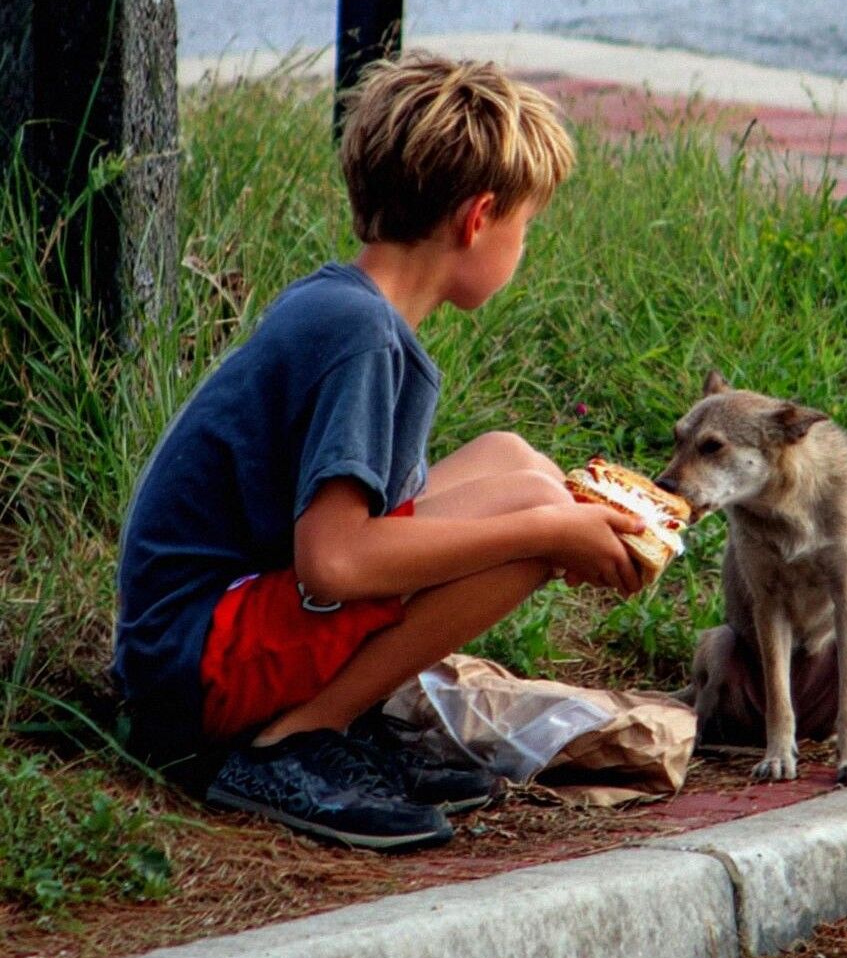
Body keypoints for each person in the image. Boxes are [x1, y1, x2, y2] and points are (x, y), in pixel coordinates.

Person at [113, 51, 644, 851]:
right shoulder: (363, 338)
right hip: (197, 665)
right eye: (525, 224)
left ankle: (325, 719)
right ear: (478, 218)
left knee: (517, 463)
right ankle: (295, 740)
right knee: (537, 525)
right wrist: (550, 535)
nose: (525, 242)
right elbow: (334, 564)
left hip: (191, 633)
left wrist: (558, 515)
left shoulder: (345, 303)